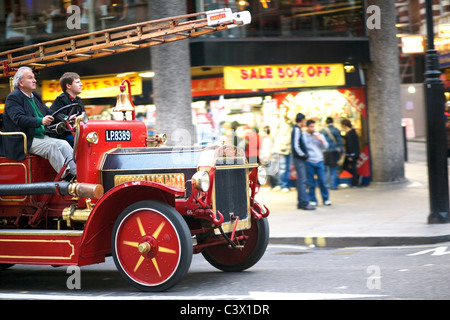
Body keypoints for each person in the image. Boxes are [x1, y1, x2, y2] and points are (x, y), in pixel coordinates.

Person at [1, 67, 76, 181]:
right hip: (23, 139)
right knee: (51, 146)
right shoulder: (13, 97)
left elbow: (49, 112)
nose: (34, 80)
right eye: (30, 78)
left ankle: (77, 175)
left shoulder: (34, 96)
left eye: (34, 78)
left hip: (39, 137)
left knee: (64, 144)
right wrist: (40, 121)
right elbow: (19, 119)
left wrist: (67, 118)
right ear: (21, 82)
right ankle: (67, 176)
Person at [50, 72, 85, 146]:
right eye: (77, 82)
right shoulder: (60, 100)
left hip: (75, 132)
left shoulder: (78, 100)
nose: (81, 84)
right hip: (63, 135)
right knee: (81, 140)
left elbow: (84, 116)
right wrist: (68, 118)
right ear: (68, 85)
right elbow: (54, 115)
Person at [304, 119, 331, 206]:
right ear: (307, 127)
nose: (313, 128)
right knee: (311, 182)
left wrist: (321, 140)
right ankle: (313, 200)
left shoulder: (319, 135)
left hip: (319, 160)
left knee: (322, 181)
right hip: (309, 161)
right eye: (311, 126)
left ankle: (326, 199)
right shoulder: (304, 136)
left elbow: (326, 146)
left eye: (313, 126)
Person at [292, 113, 315, 211]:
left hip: (299, 158)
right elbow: (296, 145)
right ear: (302, 120)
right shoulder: (297, 130)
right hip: (299, 159)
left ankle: (301, 202)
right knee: (302, 181)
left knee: (301, 181)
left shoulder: (296, 129)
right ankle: (304, 203)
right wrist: (303, 155)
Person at [271, 106, 293, 192]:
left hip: (289, 148)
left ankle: (286, 184)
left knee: (287, 168)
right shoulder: (278, 122)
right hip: (281, 148)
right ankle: (283, 185)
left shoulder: (290, 122)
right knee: (282, 168)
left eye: (285, 111)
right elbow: (273, 135)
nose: (284, 113)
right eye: (282, 111)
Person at [321, 117, 343, 190]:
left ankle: (327, 185)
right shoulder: (336, 130)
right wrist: (341, 152)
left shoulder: (323, 131)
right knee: (333, 169)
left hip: (325, 152)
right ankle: (333, 185)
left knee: (326, 169)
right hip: (334, 152)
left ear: (326, 123)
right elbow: (340, 141)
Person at [341, 119, 360, 187]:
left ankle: (355, 180)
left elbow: (350, 145)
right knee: (352, 167)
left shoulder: (349, 133)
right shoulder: (353, 132)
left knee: (346, 167)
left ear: (344, 125)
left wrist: (350, 155)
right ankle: (355, 179)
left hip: (351, 153)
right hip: (354, 152)